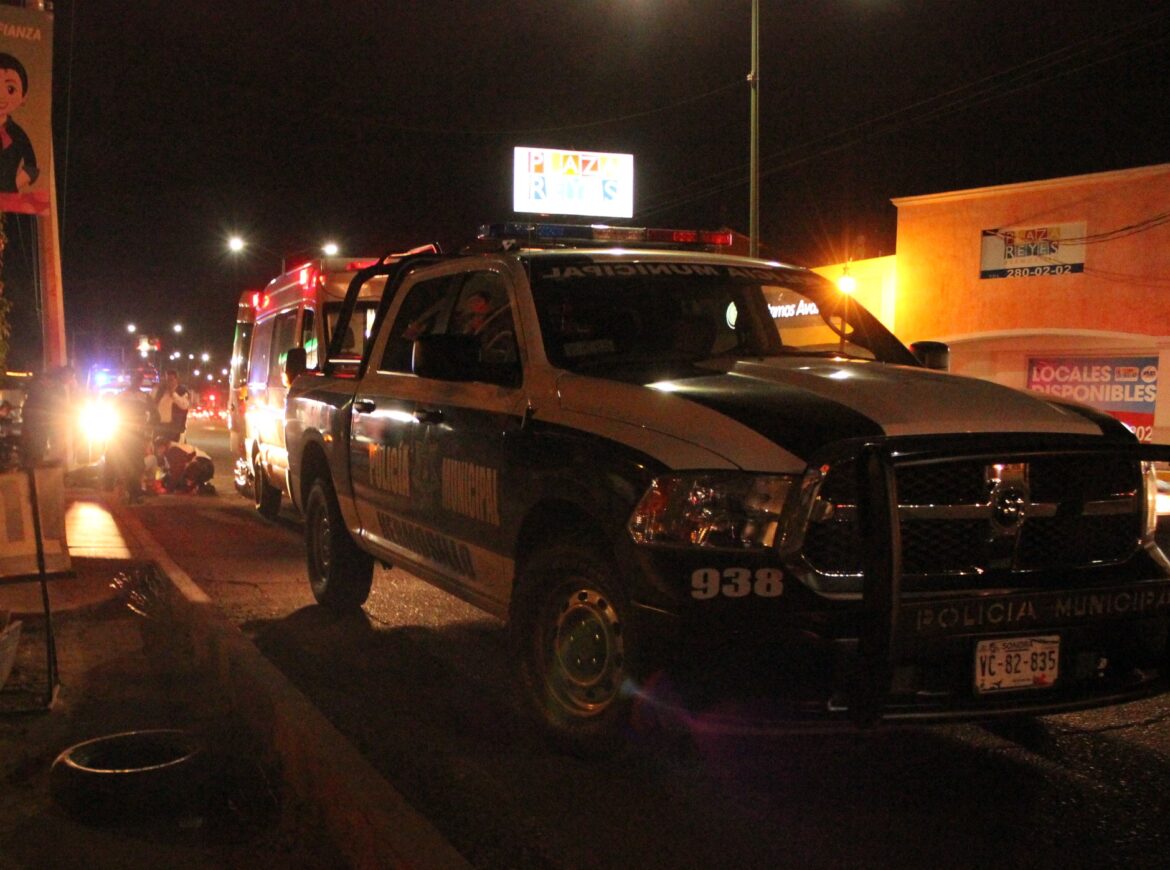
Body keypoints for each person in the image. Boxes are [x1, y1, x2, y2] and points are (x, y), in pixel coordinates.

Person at [109, 370, 152, 504]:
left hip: (128, 435)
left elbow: (155, 416)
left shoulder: (123, 396)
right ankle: (132, 493)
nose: (136, 382)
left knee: (133, 464)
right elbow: (156, 416)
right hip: (131, 435)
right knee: (133, 464)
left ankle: (132, 492)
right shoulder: (141, 397)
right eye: (136, 379)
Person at [0, 53, 39, 195]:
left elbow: (31, 166)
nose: (1, 95)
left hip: (7, 200)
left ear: (23, 96)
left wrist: (12, 186)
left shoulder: (17, 134)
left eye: (10, 89)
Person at [152, 368, 191, 443]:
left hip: (174, 428)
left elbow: (184, 405)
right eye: (167, 380)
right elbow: (155, 405)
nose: (169, 382)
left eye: (171, 379)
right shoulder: (161, 391)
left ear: (176, 379)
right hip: (160, 426)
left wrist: (173, 394)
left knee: (172, 450)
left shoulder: (182, 391)